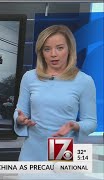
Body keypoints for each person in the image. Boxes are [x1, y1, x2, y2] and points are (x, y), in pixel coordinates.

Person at [14, 25, 97, 161]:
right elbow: (20, 112)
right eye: (47, 49)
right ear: (41, 52)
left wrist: (74, 125)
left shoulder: (84, 81)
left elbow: (91, 122)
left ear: (69, 49)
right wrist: (20, 119)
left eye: (59, 48)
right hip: (32, 150)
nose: (53, 54)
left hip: (62, 147)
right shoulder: (29, 77)